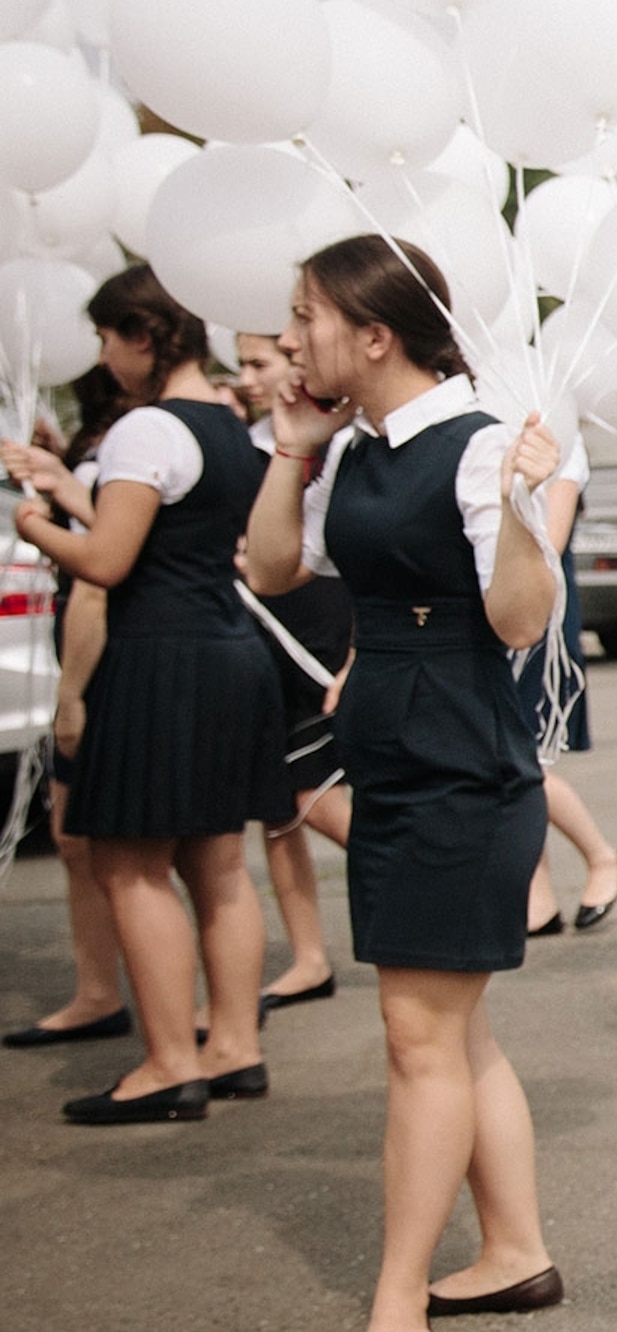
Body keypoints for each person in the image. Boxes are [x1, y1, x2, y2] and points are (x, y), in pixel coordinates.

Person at [245, 235, 565, 1332]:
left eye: (307, 316)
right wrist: (292, 447)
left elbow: (519, 621)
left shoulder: (479, 448)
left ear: (375, 334)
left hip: (462, 761)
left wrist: (521, 501)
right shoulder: (351, 448)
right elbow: (271, 567)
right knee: (452, 1025)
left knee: (417, 1029)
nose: (290, 337)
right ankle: (514, 1249)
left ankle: (398, 1292)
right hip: (392, 752)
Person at [4, 267, 289, 1124]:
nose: (103, 357)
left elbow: (108, 560)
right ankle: (234, 1045)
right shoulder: (230, 424)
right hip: (229, 651)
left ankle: (169, 1062)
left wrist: (36, 524)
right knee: (218, 863)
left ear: (141, 335)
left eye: (106, 338)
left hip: (162, 657)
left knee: (129, 863)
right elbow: (171, 536)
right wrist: (73, 489)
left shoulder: (143, 428)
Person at [5, 372, 133, 1052]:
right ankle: (100, 990)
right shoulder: (107, 447)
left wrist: (71, 694)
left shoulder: (129, 447)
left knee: (103, 842)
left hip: (105, 656)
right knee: (81, 838)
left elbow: (94, 581)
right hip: (104, 649)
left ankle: (110, 994)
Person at [229, 332, 357, 1010]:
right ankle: (308, 957)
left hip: (322, 638)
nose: (249, 378)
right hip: (266, 641)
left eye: (262, 363)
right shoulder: (251, 444)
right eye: (241, 364)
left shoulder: (340, 444)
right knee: (278, 808)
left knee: (313, 795)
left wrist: (355, 655)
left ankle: (441, 888)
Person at [505, 425, 617, 935]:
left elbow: (548, 544)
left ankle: (602, 856)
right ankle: (536, 892)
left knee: (520, 759)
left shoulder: (560, 441)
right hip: (498, 606)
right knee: (512, 759)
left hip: (538, 612)